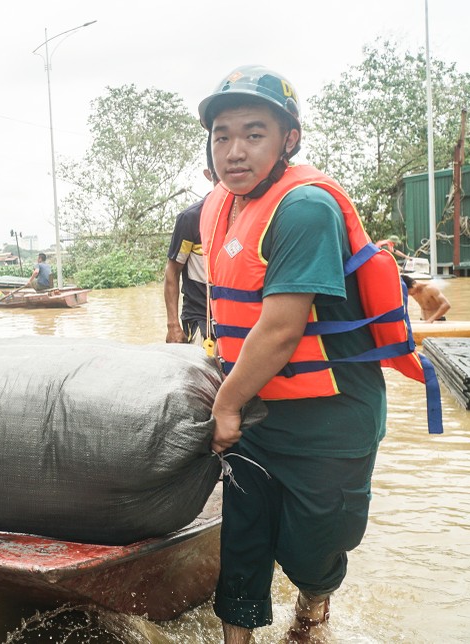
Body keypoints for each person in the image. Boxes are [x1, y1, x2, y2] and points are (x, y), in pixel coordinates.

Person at [197, 65, 432, 643]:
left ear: (289, 141)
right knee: (244, 541)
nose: (235, 150)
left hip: (329, 415)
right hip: (257, 409)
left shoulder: (303, 207)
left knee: (312, 550)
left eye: (254, 133)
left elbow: (279, 331)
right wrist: (230, 397)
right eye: (222, 134)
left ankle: (312, 613)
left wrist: (225, 406)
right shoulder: (218, 207)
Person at [164, 154, 216, 344]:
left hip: (236, 317)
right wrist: (173, 325)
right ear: (208, 175)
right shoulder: (191, 219)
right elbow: (172, 271)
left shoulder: (246, 215)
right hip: (201, 317)